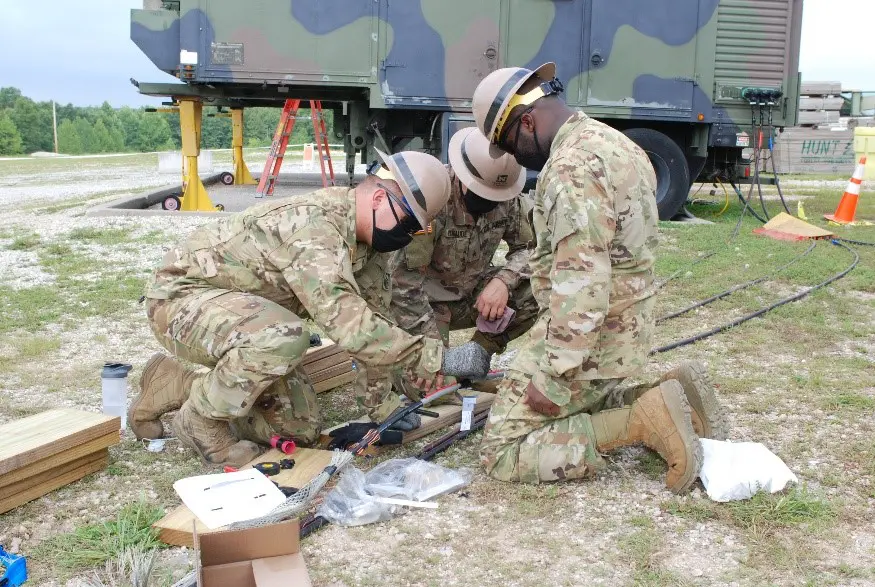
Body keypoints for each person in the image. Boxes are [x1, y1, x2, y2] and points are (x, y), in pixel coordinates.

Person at [129, 150, 493, 467]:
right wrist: (439, 360)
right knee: (285, 337)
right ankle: (200, 421)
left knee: (297, 429)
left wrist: (383, 408)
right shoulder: (314, 228)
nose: (410, 236)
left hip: (246, 321)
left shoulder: (368, 247)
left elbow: (374, 324)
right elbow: (351, 326)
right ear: (380, 199)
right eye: (410, 224)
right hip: (180, 302)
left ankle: (182, 383)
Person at [470, 63, 728, 492]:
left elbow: (582, 279)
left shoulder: (571, 168)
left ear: (528, 121)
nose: (516, 159)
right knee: (562, 410)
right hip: (623, 327)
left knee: (502, 452)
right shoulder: (614, 142)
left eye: (511, 146)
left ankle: (640, 420)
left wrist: (554, 376)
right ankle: (668, 394)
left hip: (592, 338)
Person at [390, 127, 538, 396]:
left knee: (536, 291)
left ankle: (474, 364)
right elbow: (405, 285)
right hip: (425, 306)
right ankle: (424, 368)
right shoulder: (432, 194)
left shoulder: (508, 197)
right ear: (462, 176)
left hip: (470, 296)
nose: (491, 202)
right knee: (433, 393)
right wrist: (437, 359)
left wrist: (503, 281)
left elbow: (530, 249)